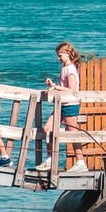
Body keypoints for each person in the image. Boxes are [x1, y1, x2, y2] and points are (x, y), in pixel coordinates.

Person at [43, 42, 84, 172]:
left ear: (67, 54)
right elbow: (63, 87)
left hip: (70, 105)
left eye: (60, 55)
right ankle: (50, 159)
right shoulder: (64, 68)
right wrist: (53, 87)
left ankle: (80, 162)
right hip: (61, 104)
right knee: (47, 129)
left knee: (73, 134)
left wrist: (55, 87)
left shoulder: (71, 69)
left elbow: (71, 89)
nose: (58, 58)